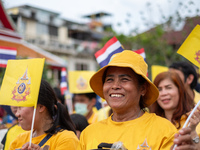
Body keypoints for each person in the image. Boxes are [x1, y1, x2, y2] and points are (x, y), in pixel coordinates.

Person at [78, 50, 197, 150]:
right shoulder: (88, 133)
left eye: (124, 79)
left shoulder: (164, 131)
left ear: (143, 89)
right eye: (109, 80)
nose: (115, 86)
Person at [9, 79, 79, 150]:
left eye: (21, 107)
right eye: (17, 108)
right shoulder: (18, 140)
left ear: (41, 107)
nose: (17, 114)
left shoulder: (66, 139)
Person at [151, 71, 200, 147]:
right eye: (159, 89)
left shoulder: (193, 120)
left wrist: (192, 131)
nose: (164, 93)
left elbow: (197, 146)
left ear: (180, 90)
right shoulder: (150, 123)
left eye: (168, 88)